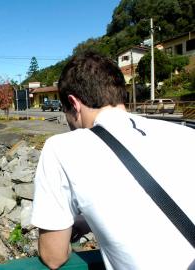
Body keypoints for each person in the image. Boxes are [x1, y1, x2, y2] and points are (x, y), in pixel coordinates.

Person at [30, 51, 195, 269]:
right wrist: (89, 219)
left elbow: (54, 257)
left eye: (65, 112)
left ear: (73, 103)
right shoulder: (184, 134)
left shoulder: (60, 148)